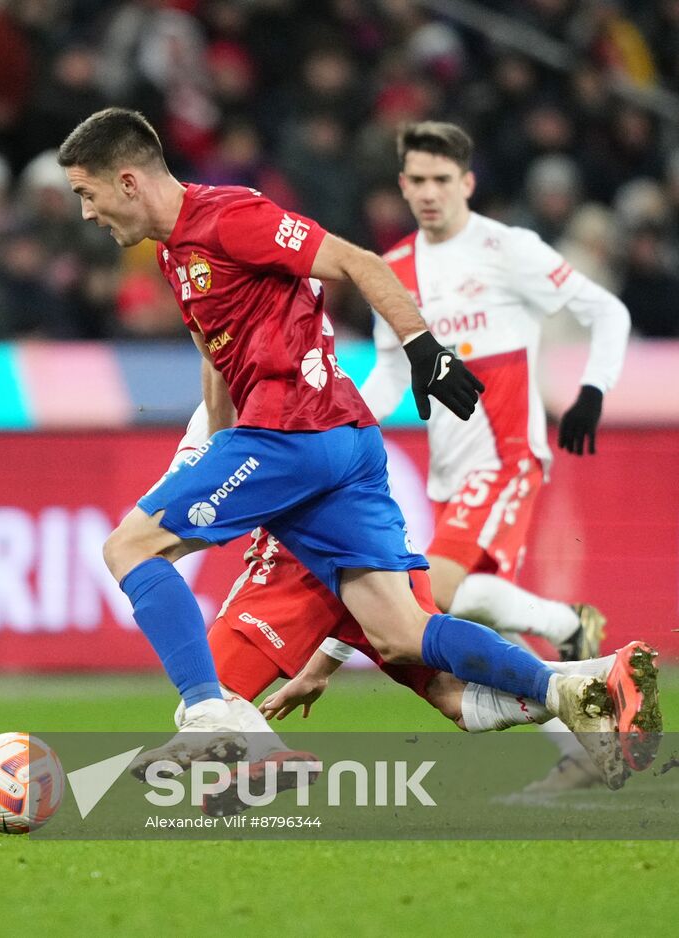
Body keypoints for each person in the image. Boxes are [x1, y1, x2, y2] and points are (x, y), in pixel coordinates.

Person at [56, 107, 634, 786]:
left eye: (86, 194)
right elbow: (220, 355)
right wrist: (210, 442)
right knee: (400, 629)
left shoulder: (232, 216)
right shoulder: (174, 253)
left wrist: (425, 350)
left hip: (293, 431)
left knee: (129, 546)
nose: (88, 214)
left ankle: (211, 717)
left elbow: (355, 261)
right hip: (337, 442)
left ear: (127, 181)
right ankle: (572, 690)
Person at [165, 404, 660, 800]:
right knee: (454, 697)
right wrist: (321, 664)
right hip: (370, 527)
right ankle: (601, 674)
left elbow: (192, 490)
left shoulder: (238, 384)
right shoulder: (306, 365)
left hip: (300, 552)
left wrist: (145, 544)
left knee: (209, 689)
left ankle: (265, 758)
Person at [358, 121, 637, 788]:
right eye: (417, 181)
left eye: (441, 180)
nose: (428, 193)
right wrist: (342, 429)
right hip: (450, 473)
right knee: (458, 613)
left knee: (429, 599)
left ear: (467, 183)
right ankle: (577, 721)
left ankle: (568, 640)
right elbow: (393, 376)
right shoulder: (392, 271)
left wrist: (593, 389)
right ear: (402, 185)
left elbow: (609, 312)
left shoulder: (507, 249)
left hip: (507, 457)